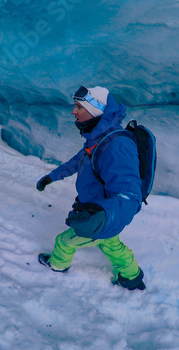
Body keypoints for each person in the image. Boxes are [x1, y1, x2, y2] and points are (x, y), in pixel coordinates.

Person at [35, 86, 146, 290]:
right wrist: (50, 177)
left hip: (100, 217)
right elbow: (74, 163)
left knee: (64, 241)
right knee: (112, 245)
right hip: (97, 213)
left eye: (79, 106)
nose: (73, 111)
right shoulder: (97, 140)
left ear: (96, 111)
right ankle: (132, 276)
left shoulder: (116, 145)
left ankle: (57, 265)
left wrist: (102, 216)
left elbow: (129, 195)